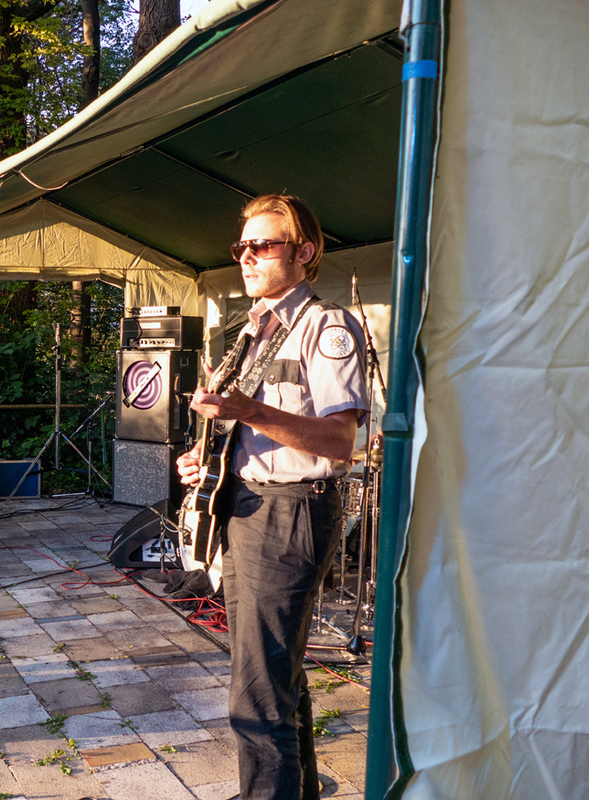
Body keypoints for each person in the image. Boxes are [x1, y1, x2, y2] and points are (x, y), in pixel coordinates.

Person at [175, 195, 369, 800]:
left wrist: (250, 411)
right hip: (246, 502)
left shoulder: (326, 325)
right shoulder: (253, 328)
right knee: (272, 672)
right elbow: (246, 425)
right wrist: (208, 457)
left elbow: (340, 440)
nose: (247, 256)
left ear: (304, 252)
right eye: (242, 246)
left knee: (256, 693)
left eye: (263, 245)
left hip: (290, 510)